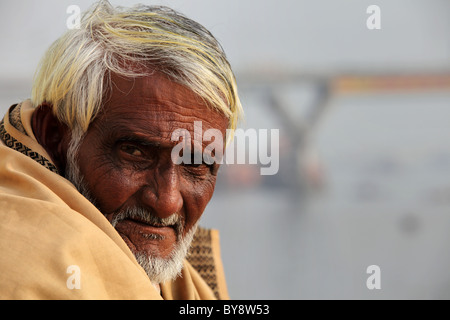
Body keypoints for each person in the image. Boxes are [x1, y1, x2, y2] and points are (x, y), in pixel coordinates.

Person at [0, 0, 243, 299]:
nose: (166, 203)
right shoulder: (21, 266)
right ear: (55, 136)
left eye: (195, 164)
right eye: (135, 153)